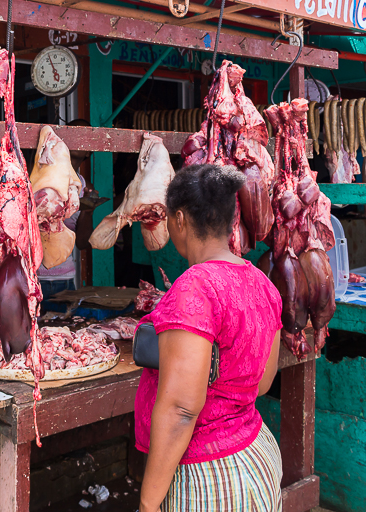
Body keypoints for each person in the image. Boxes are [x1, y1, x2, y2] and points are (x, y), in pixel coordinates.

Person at [135, 164, 283, 512]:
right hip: (257, 455)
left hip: (210, 474)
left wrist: (147, 503)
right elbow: (261, 383)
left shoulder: (194, 288)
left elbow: (180, 410)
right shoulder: (262, 282)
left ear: (181, 219)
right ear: (231, 219)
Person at [37, 119, 97, 308]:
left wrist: (88, 210)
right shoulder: (43, 177)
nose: (80, 138)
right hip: (34, 277)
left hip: (65, 279)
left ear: (89, 151)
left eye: (85, 136)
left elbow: (82, 243)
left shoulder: (85, 188)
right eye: (74, 133)